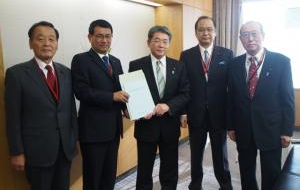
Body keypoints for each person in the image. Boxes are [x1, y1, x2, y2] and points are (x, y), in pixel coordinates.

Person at [5, 21, 78, 190]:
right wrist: (17, 152)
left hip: (64, 150)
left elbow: (70, 110)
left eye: (52, 39)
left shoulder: (65, 72)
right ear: (30, 43)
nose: (47, 44)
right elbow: (13, 117)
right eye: (41, 39)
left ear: (57, 44)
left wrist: (73, 139)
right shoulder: (16, 74)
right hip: (36, 153)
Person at [227, 21, 295, 190]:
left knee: (271, 172)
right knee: (246, 171)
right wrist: (230, 126)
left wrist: (287, 130)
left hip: (271, 127)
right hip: (243, 127)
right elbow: (230, 98)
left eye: (254, 33)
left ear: (263, 36)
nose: (250, 38)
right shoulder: (234, 64)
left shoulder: (281, 61)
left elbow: (287, 98)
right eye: (245, 35)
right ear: (240, 39)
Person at [128, 25, 190, 189]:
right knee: (144, 170)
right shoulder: (135, 65)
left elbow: (185, 94)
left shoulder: (178, 66)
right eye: (156, 40)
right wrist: (138, 111)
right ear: (148, 42)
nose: (161, 45)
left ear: (169, 44)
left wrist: (168, 106)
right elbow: (132, 95)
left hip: (169, 126)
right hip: (146, 126)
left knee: (170, 169)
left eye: (165, 41)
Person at [71, 19, 129, 190]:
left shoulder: (116, 61)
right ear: (89, 37)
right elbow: (81, 91)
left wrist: (126, 108)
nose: (104, 40)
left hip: (114, 130)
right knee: (93, 178)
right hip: (93, 132)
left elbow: (120, 91)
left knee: (109, 176)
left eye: (108, 36)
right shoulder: (81, 60)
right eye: (99, 36)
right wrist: (112, 97)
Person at [180, 16, 233, 190]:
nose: (205, 33)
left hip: (219, 114)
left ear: (215, 32)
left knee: (220, 154)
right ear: (196, 33)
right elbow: (184, 86)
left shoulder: (227, 54)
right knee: (196, 154)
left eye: (209, 29)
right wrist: (184, 112)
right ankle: (195, 185)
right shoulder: (186, 55)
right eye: (201, 29)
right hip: (196, 113)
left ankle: (225, 185)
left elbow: (231, 88)